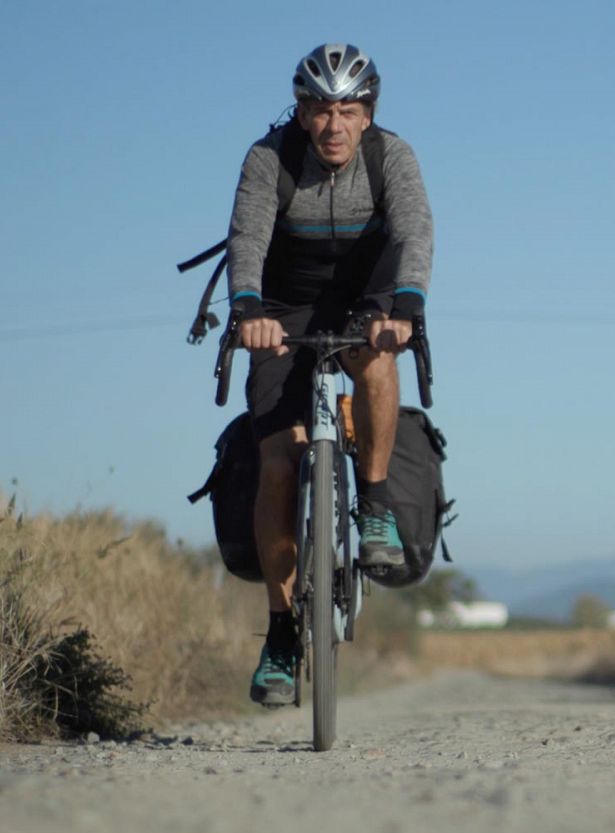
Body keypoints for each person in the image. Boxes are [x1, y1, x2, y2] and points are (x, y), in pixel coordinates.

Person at [226, 43, 433, 705]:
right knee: (280, 465)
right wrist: (248, 309)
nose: (334, 124)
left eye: (348, 109)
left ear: (368, 114)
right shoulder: (269, 160)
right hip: (281, 309)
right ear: (302, 112)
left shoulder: (389, 157)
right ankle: (282, 633)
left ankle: (373, 509)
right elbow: (248, 239)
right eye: (319, 109)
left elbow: (414, 231)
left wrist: (406, 306)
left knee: (376, 359)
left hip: (365, 301)